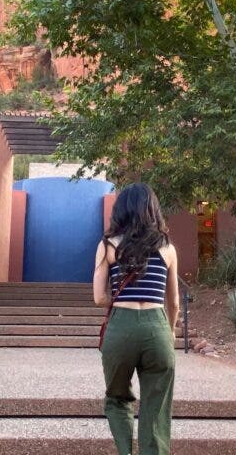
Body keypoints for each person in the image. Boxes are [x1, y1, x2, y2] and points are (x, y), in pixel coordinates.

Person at [93, 182, 180, 455]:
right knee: (157, 404)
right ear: (152, 210)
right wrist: (171, 331)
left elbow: (98, 297)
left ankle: (125, 451)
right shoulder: (168, 247)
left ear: (121, 210)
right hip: (157, 327)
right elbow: (174, 302)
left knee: (118, 398)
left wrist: (119, 301)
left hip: (121, 328)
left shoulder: (108, 245)